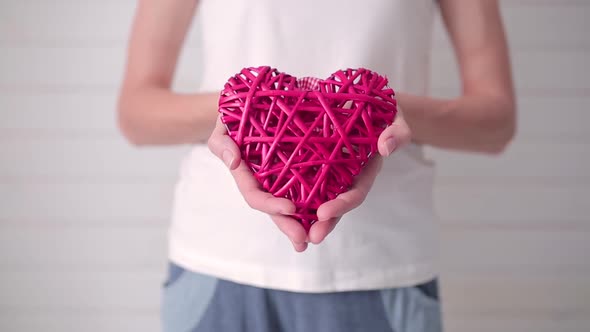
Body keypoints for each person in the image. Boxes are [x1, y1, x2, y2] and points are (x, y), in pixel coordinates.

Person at [118, 0, 515, 331]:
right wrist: (249, 107)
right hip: (218, 260)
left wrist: (372, 110)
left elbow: (495, 123)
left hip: (381, 265)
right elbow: (136, 113)